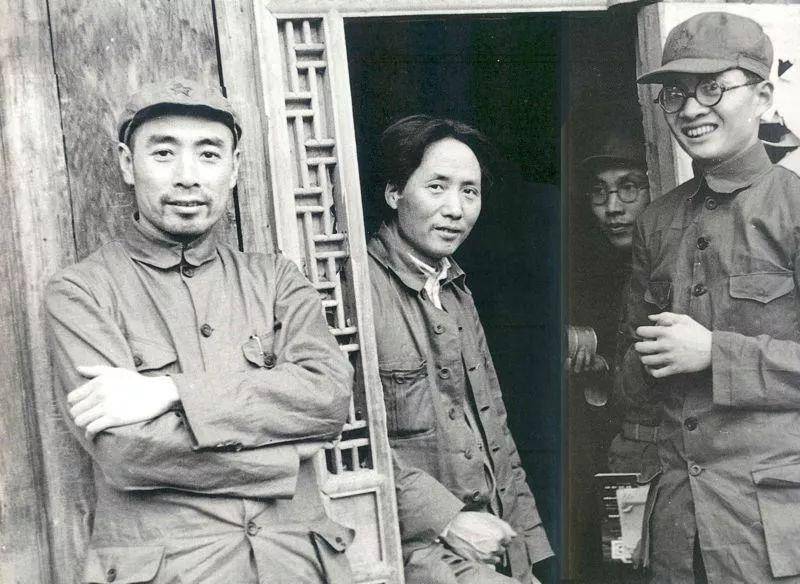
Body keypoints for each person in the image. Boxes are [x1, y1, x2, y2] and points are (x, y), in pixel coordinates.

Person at [45, 79, 354, 583]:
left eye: (209, 154)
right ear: (127, 163)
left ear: (234, 167)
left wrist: (169, 391)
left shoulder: (276, 279)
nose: (187, 177)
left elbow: (329, 398)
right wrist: (286, 460)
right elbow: (126, 452)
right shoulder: (81, 292)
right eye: (164, 153)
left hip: (297, 564)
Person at [624, 12, 800, 583]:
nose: (691, 109)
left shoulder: (794, 210)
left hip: (771, 536)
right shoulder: (656, 222)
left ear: (763, 96)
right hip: (678, 535)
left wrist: (714, 354)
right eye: (675, 94)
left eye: (712, 88)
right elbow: (636, 381)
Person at [367, 115, 553, 584]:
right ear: (394, 192)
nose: (455, 209)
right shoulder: (356, 290)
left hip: (494, 547)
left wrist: (529, 551)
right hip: (413, 552)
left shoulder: (455, 289)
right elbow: (349, 446)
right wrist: (447, 520)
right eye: (437, 187)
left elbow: (495, 429)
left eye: (470, 191)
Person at [567, 115, 661, 579]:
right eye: (599, 192)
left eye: (629, 188)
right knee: (620, 564)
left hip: (663, 455)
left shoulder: (671, 265)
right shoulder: (583, 268)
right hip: (608, 455)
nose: (612, 207)